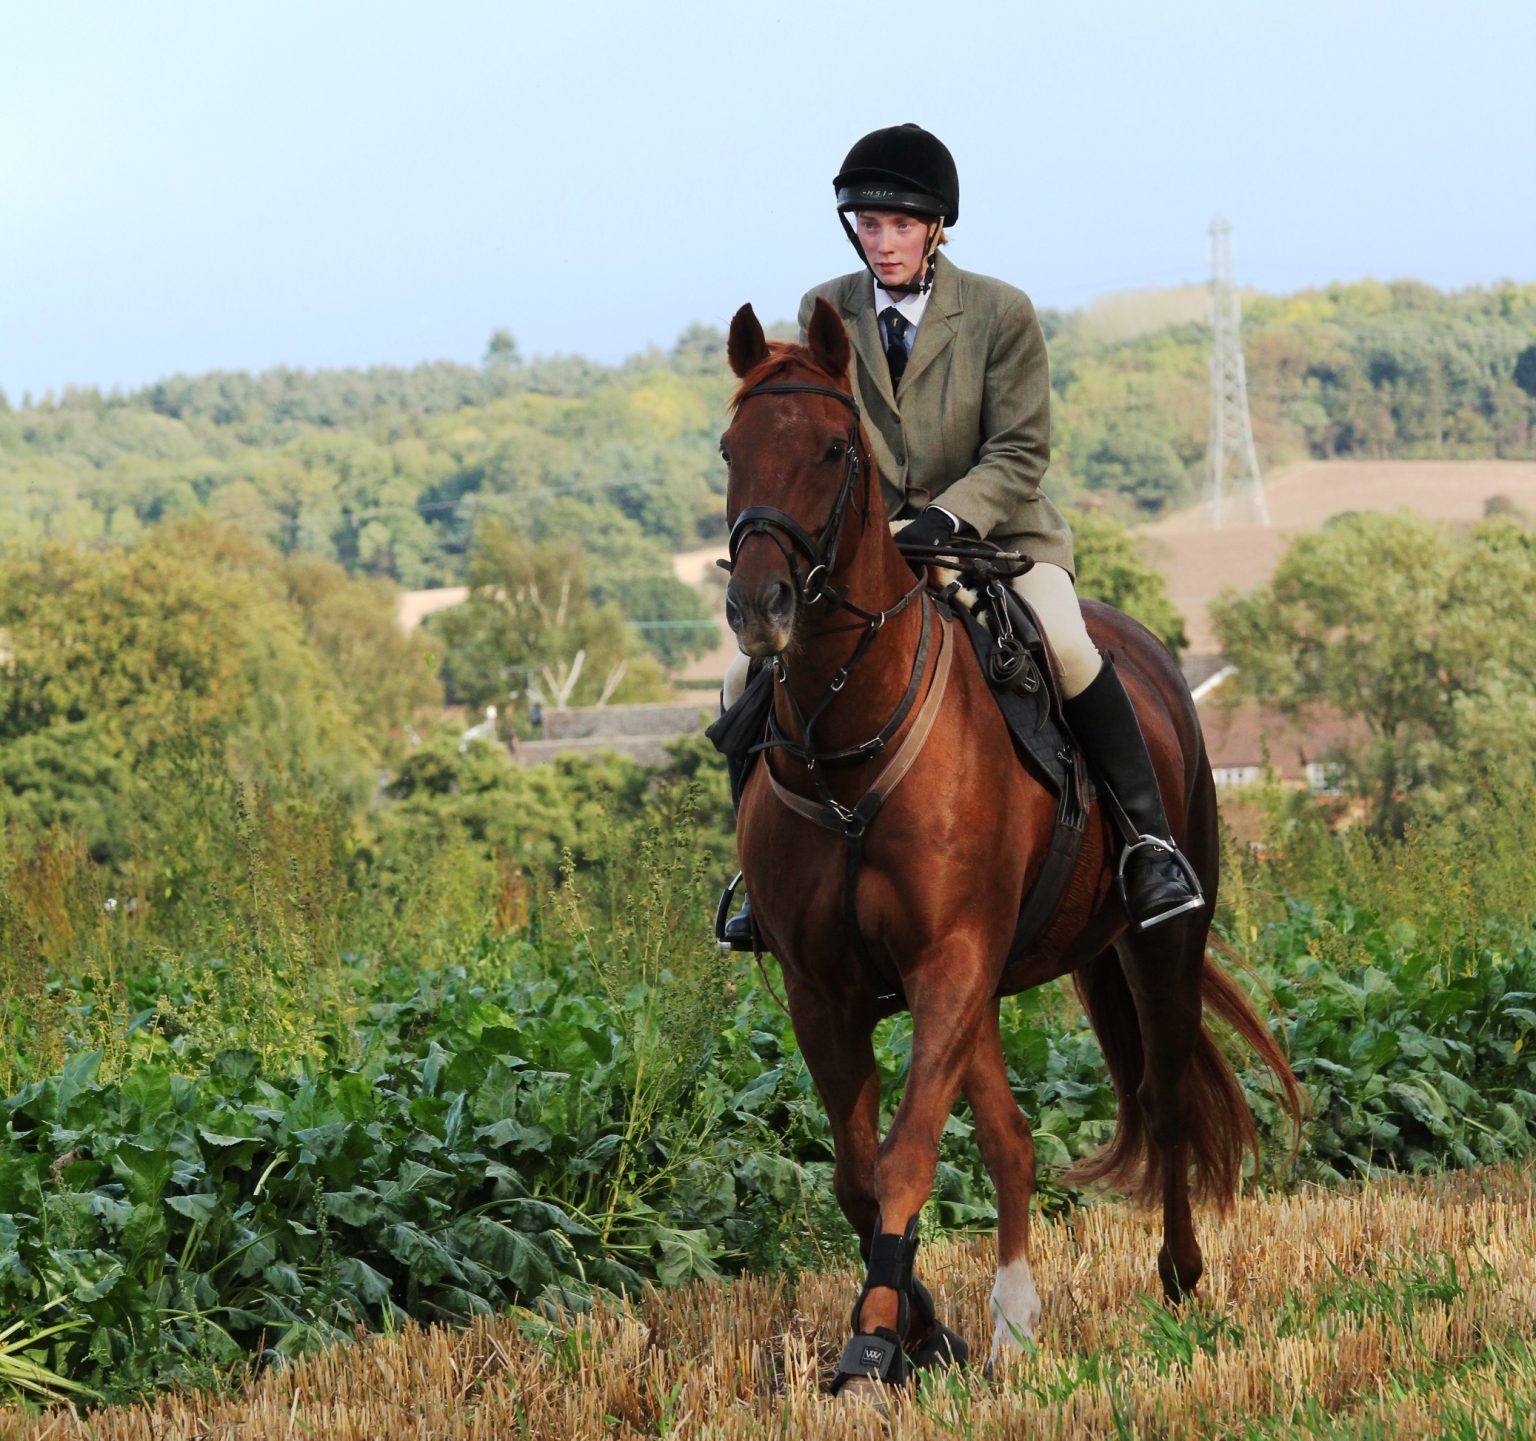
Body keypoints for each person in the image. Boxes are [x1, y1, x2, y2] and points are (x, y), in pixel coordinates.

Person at [719, 122, 1201, 947]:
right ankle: (768, 881)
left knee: (1071, 647)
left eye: (900, 224)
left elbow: (1021, 450)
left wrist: (946, 518)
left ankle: (1150, 846)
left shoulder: (999, 312)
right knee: (742, 680)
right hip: (868, 553)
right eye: (869, 225)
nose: (884, 242)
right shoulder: (825, 307)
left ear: (936, 226)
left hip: (994, 539)